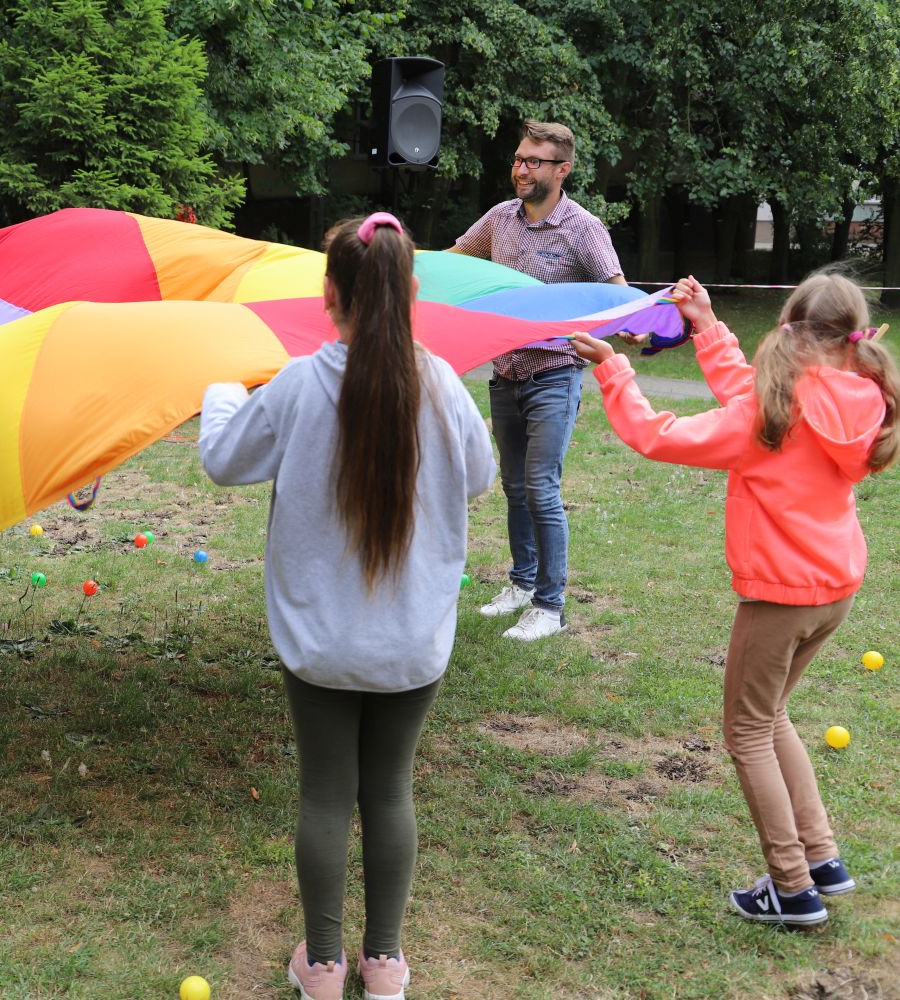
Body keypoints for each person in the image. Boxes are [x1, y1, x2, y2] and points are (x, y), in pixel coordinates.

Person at [200, 214, 495, 999]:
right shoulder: (440, 384)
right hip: (410, 642)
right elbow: (480, 476)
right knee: (390, 791)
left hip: (320, 642)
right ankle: (385, 965)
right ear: (412, 293)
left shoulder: (298, 384)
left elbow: (224, 460)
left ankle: (324, 967)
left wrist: (223, 386)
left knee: (326, 793)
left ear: (329, 294)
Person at [569, 271, 896, 927]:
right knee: (769, 715)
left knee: (746, 730)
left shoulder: (772, 411)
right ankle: (821, 857)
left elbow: (659, 435)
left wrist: (614, 372)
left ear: (791, 327)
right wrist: (706, 323)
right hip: (834, 592)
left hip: (781, 598)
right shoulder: (858, 396)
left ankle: (792, 888)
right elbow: (753, 400)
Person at [449, 120, 629, 641]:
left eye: (532, 162)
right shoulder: (500, 219)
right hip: (504, 374)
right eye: (517, 159)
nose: (520, 169)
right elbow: (455, 261)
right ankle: (523, 584)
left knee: (541, 490)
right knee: (513, 488)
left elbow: (615, 292)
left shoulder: (583, 227)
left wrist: (636, 323)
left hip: (555, 376)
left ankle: (550, 606)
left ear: (562, 169)